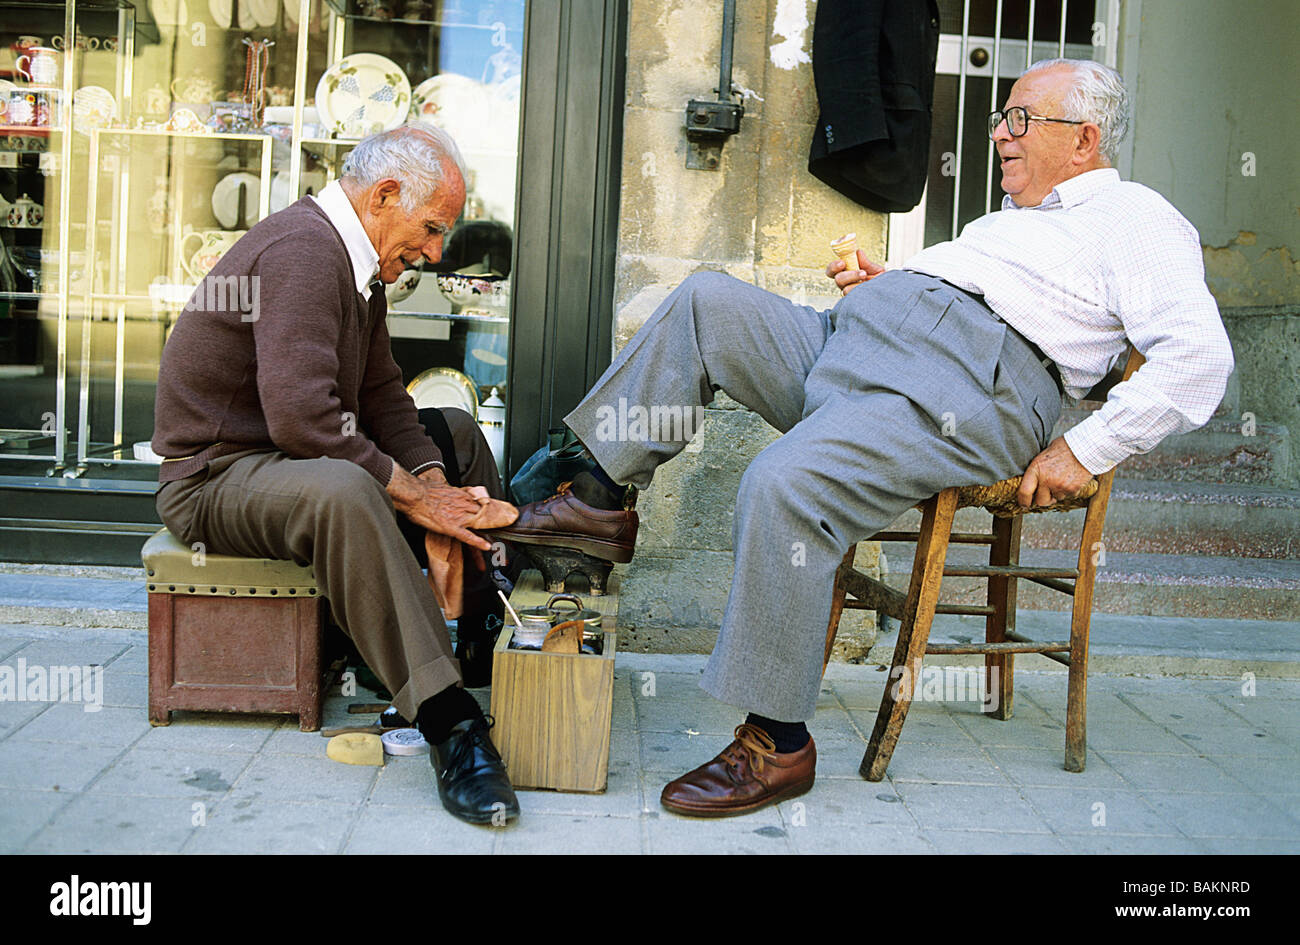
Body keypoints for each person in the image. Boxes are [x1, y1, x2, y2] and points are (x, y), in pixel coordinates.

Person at [490, 59, 1234, 817]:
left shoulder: (1137, 217)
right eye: (999, 119)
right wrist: (897, 290)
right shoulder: (1014, 221)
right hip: (862, 342)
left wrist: (1088, 448)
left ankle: (777, 743)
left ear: (1085, 138)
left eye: (1018, 119)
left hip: (962, 389)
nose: (999, 135)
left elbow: (1200, 360)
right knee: (707, 302)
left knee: (786, 483)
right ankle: (595, 498)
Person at [151, 126, 522, 826]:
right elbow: (304, 421)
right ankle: (452, 723)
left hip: (280, 458)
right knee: (350, 488)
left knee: (458, 434)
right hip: (214, 478)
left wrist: (434, 481)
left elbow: (383, 397)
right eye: (432, 227)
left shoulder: (356, 262)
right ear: (384, 196)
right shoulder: (306, 252)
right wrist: (420, 501)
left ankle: (473, 637)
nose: (437, 252)